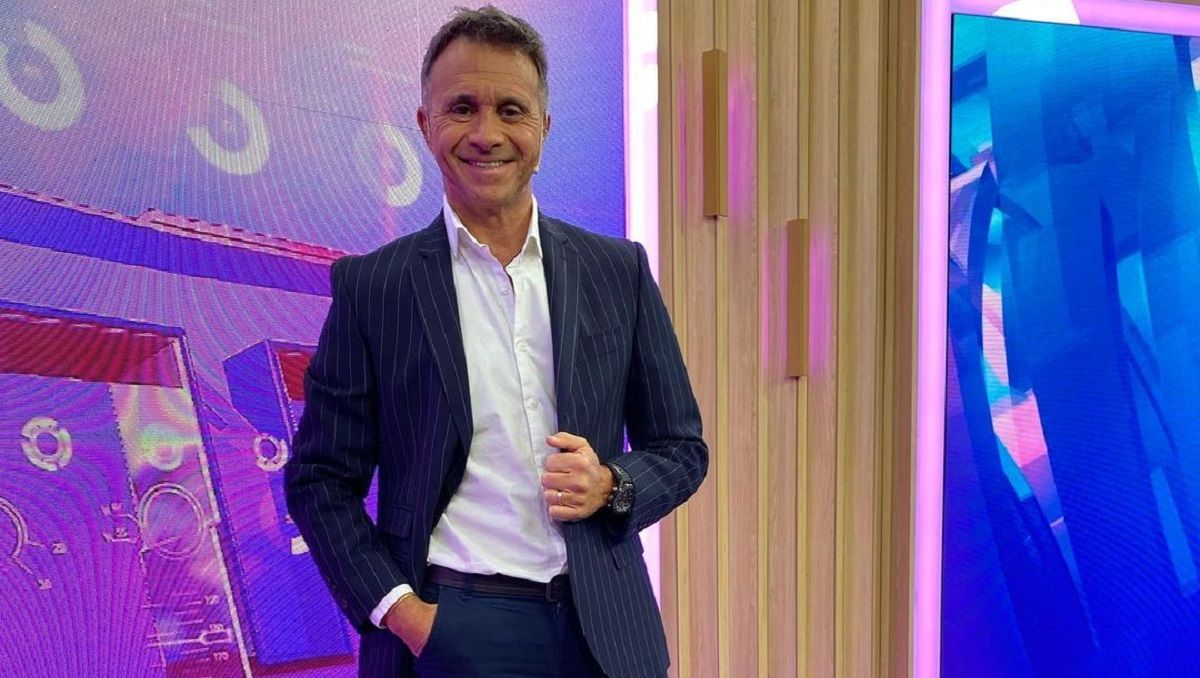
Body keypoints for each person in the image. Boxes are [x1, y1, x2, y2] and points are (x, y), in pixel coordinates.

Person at [284, 6, 707, 678]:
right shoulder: (374, 287)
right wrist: (404, 613)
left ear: (544, 126)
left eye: (511, 110)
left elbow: (682, 449)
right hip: (452, 625)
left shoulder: (616, 271)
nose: (487, 134)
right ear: (425, 124)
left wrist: (611, 484)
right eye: (462, 108)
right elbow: (320, 480)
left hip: (607, 633)